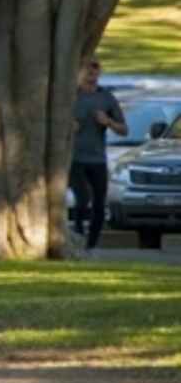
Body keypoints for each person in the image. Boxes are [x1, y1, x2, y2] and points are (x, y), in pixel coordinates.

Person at [72, 57, 125, 249]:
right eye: (88, 69)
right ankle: (77, 230)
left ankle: (91, 245)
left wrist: (108, 122)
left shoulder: (106, 98)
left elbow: (123, 129)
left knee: (99, 203)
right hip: (74, 158)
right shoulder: (71, 96)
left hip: (97, 158)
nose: (91, 73)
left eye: (95, 70)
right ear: (79, 72)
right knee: (82, 198)